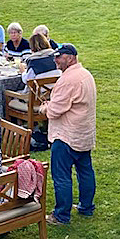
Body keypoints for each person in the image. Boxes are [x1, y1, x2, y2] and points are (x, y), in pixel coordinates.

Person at [40, 43, 96, 225]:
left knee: (61, 175)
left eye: (59, 57)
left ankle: (61, 215)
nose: (55, 60)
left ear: (71, 57)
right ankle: (86, 207)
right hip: (83, 133)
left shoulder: (67, 80)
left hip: (66, 136)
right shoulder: (86, 75)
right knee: (85, 171)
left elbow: (54, 111)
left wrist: (45, 107)